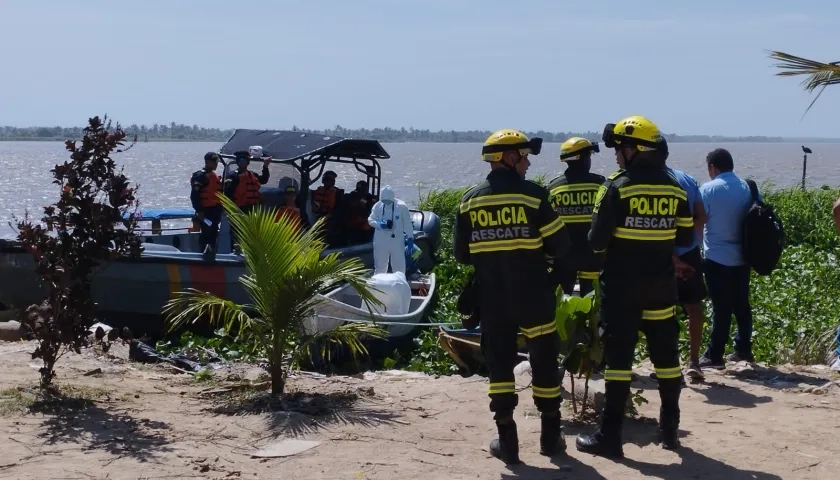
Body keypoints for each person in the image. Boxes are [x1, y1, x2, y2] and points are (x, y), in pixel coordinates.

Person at [575, 116, 694, 458]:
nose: (615, 156)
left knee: (618, 362)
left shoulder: (616, 187)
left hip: (622, 289)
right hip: (661, 286)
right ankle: (670, 430)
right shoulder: (674, 188)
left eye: (620, 149)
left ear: (635, 150)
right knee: (667, 358)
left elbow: (596, 242)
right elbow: (685, 237)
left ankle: (610, 437)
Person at [453, 129, 570, 464]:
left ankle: (508, 442)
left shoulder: (469, 201)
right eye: (524, 155)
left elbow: (462, 255)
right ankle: (550, 438)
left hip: (493, 299)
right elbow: (561, 246)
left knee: (500, 366)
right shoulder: (534, 196)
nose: (528, 162)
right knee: (544, 362)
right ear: (509, 157)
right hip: (534, 296)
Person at [698, 148, 761, 368]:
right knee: (742, 306)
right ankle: (743, 349)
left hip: (716, 257)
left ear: (712, 167)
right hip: (743, 257)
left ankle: (715, 355)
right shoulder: (747, 186)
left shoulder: (707, 189)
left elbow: (699, 221)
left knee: (721, 308)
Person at [546, 137, 606, 296]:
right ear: (583, 158)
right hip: (592, 256)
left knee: (563, 299)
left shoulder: (553, 188)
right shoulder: (600, 184)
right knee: (592, 300)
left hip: (564, 257)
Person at [666, 165, 708, 380]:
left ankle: (668, 365)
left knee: (661, 311)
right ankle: (694, 361)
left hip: (660, 254)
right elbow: (701, 216)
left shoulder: (647, 180)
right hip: (689, 252)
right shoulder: (688, 179)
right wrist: (693, 243)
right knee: (694, 307)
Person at [223, 147, 271, 250]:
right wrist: (229, 212)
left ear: (248, 162)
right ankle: (235, 253)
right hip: (238, 209)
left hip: (252, 209)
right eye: (240, 160)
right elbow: (227, 195)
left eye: (245, 160)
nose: (243, 162)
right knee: (237, 234)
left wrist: (265, 166)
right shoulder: (233, 176)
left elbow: (264, 180)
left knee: (251, 233)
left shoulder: (252, 174)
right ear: (237, 162)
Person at [367, 185, 413, 274]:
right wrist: (379, 224)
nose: (386, 202)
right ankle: (379, 285)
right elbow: (370, 220)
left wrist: (410, 238)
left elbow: (407, 224)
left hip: (396, 242)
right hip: (380, 241)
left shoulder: (401, 207)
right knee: (380, 268)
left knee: (399, 268)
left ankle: (399, 285)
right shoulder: (378, 206)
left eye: (388, 201)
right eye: (384, 200)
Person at [190, 152, 223, 254]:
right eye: (214, 162)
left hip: (215, 211)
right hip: (205, 212)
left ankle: (211, 254)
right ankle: (204, 255)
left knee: (213, 234)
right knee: (206, 235)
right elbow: (194, 195)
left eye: (216, 162)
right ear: (207, 162)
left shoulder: (214, 176)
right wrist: (199, 211)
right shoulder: (200, 176)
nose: (216, 164)